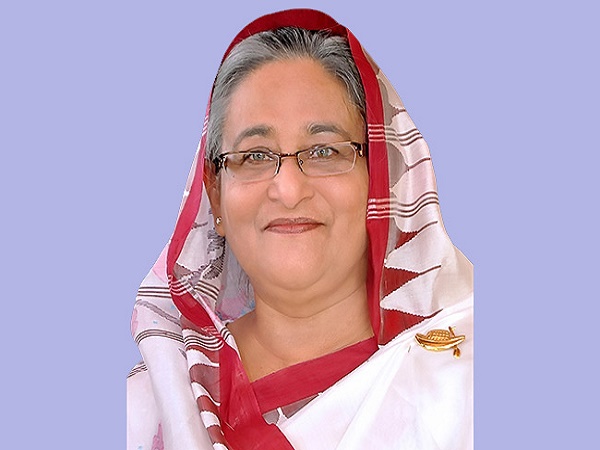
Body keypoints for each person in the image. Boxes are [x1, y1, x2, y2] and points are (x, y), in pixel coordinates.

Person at [127, 8, 473, 450]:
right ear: (215, 195)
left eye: (324, 151)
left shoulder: (461, 376)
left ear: (379, 178)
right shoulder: (155, 403)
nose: (289, 190)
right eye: (254, 156)